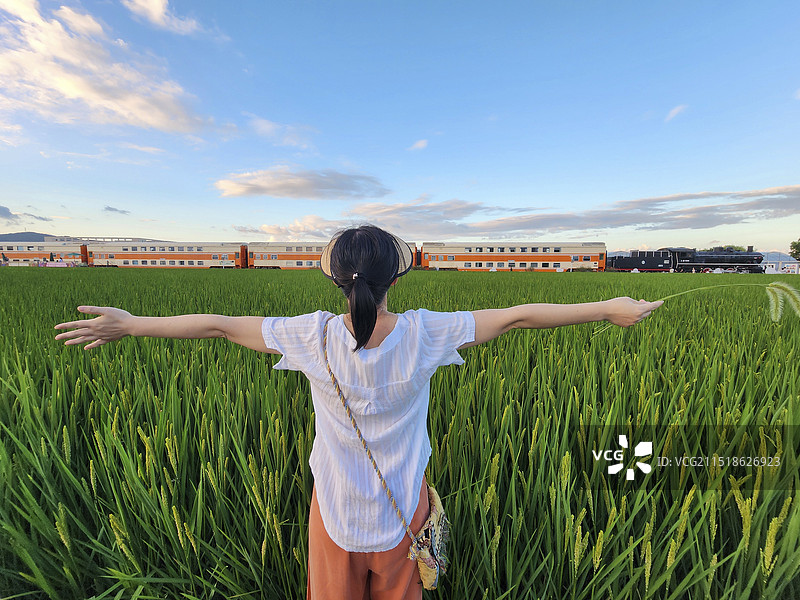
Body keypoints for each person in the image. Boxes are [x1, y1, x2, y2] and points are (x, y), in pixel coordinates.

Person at [54, 224, 662, 600]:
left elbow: (214, 326)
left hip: (336, 517)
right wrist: (608, 305)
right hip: (404, 517)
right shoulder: (427, 334)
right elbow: (522, 313)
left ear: (336, 280)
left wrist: (131, 326)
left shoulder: (310, 338)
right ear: (396, 275)